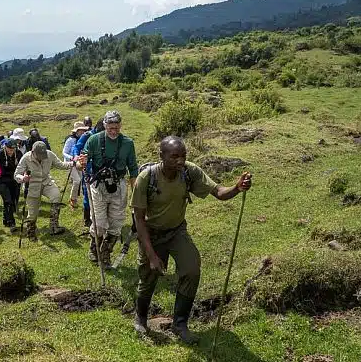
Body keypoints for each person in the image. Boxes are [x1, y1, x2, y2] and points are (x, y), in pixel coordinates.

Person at [131, 136, 252, 344]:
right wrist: (151, 255)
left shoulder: (189, 172)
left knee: (192, 269)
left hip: (177, 231)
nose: (180, 161)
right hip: (151, 234)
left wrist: (237, 187)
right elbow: (139, 220)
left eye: (183, 156)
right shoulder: (146, 178)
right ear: (161, 156)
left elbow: (219, 193)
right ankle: (141, 318)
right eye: (174, 156)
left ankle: (180, 324)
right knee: (149, 276)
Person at [80, 110, 139, 268]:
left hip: (119, 186)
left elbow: (133, 169)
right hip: (98, 186)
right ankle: (94, 248)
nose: (113, 131)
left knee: (116, 224)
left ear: (121, 126)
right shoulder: (93, 140)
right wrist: (82, 162)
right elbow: (81, 162)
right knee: (99, 224)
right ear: (105, 125)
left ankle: (105, 253)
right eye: (110, 128)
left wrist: (136, 194)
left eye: (116, 128)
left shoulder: (128, 143)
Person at [14, 141, 84, 240]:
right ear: (33, 151)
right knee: (32, 212)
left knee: (56, 196)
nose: (42, 157)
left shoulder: (49, 154)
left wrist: (73, 163)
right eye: (39, 155)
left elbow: (60, 165)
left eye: (43, 154)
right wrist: (22, 178)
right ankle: (31, 232)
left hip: (46, 182)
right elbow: (16, 174)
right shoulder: (26, 158)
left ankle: (54, 227)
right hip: (32, 185)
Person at [73, 118, 104, 232]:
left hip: (100, 168)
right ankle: (87, 218)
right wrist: (76, 157)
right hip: (88, 168)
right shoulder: (87, 135)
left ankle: (99, 217)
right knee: (87, 193)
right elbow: (77, 147)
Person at [0, 138, 23, 229]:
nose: (11, 151)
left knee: (12, 200)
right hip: (2, 180)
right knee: (8, 201)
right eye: (9, 149)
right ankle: (12, 223)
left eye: (13, 149)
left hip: (14, 180)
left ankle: (5, 220)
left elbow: (24, 166)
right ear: (5, 147)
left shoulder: (18, 154)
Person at [63, 121, 89, 209]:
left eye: (83, 130)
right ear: (76, 131)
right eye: (81, 130)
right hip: (70, 163)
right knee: (77, 180)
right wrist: (71, 158)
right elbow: (64, 153)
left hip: (78, 163)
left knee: (81, 180)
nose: (82, 132)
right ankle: (72, 200)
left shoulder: (82, 140)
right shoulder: (70, 140)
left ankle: (74, 199)